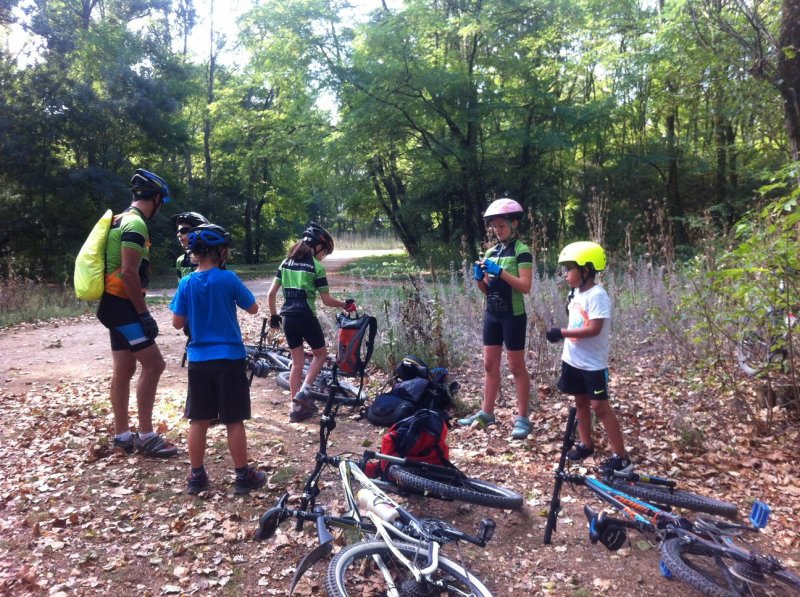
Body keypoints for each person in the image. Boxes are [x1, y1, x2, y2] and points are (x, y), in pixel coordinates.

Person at [169, 223, 266, 495]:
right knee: (234, 419)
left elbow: (177, 323)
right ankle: (242, 476)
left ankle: (197, 476)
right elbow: (253, 308)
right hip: (230, 358)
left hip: (199, 359)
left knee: (198, 419)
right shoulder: (229, 278)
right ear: (219, 252)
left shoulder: (186, 283)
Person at [96, 169, 178, 457]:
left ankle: (122, 435)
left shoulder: (118, 219)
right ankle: (145, 435)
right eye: (161, 202)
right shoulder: (135, 225)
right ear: (156, 198)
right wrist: (144, 314)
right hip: (123, 305)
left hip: (111, 304)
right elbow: (129, 273)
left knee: (125, 368)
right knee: (155, 365)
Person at [545, 241, 633, 474]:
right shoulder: (576, 293)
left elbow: (594, 329)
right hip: (573, 360)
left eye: (569, 269)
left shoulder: (598, 295)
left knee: (600, 407)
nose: (565, 275)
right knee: (580, 402)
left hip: (593, 364)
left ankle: (622, 458)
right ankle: (586, 444)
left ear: (585, 270)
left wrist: (560, 332)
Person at [457, 198, 533, 440]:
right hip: (492, 314)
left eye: (502, 226)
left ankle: (522, 418)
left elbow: (525, 286)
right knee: (489, 365)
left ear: (514, 224)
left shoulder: (522, 251)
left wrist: (501, 272)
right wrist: (479, 278)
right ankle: (486, 412)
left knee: (516, 367)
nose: (497, 230)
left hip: (513, 315)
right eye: (494, 227)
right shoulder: (491, 251)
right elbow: (487, 290)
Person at [267, 223, 357, 422]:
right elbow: (326, 300)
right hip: (306, 315)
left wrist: (274, 316)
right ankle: (304, 391)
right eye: (324, 252)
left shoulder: (285, 263)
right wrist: (344, 304)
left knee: (296, 363)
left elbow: (271, 293)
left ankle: (295, 408)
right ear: (318, 247)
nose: (324, 257)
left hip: (287, 317)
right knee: (320, 354)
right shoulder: (316, 267)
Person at [172, 211, 209, 279]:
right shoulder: (181, 261)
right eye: (178, 232)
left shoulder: (212, 258)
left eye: (184, 231)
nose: (178, 235)